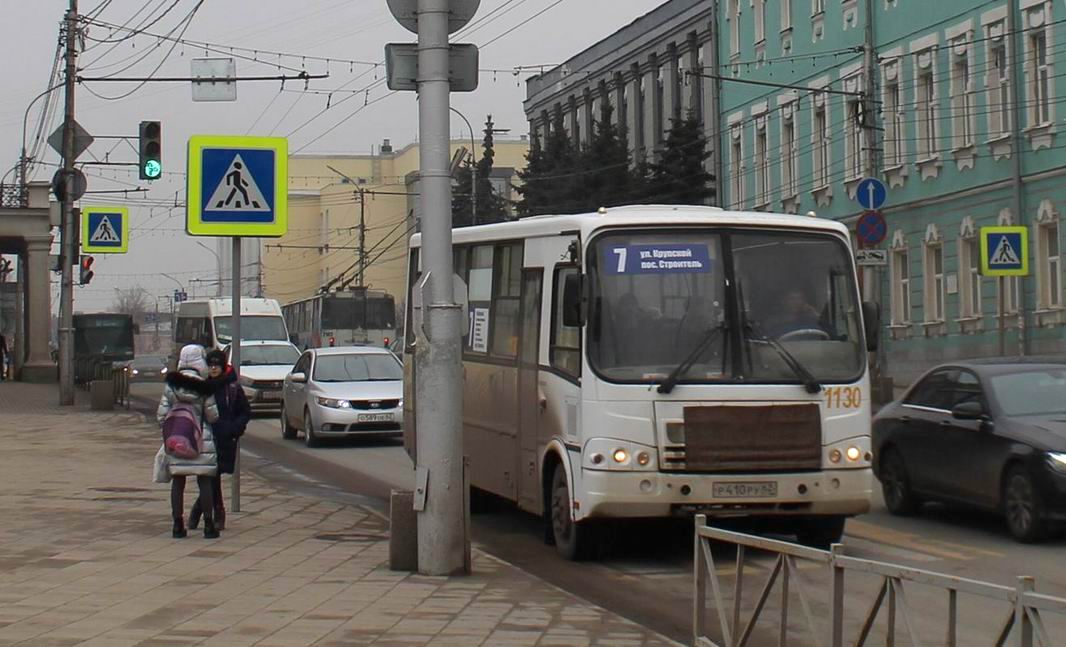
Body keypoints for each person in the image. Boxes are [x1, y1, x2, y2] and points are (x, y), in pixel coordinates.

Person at [154, 344, 220, 539]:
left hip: (177, 440)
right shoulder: (205, 387)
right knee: (204, 481)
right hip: (202, 441)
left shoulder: (171, 386)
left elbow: (161, 416)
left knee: (178, 481)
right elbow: (213, 416)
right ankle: (208, 525)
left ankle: (177, 525)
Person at [188, 349, 250, 532]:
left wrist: (235, 429)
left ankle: (201, 510)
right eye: (211, 365)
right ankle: (216, 513)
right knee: (209, 477)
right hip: (206, 438)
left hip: (225, 439)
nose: (213, 369)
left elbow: (244, 411)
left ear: (223, 367)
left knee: (212, 477)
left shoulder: (232, 387)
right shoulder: (204, 385)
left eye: (217, 365)